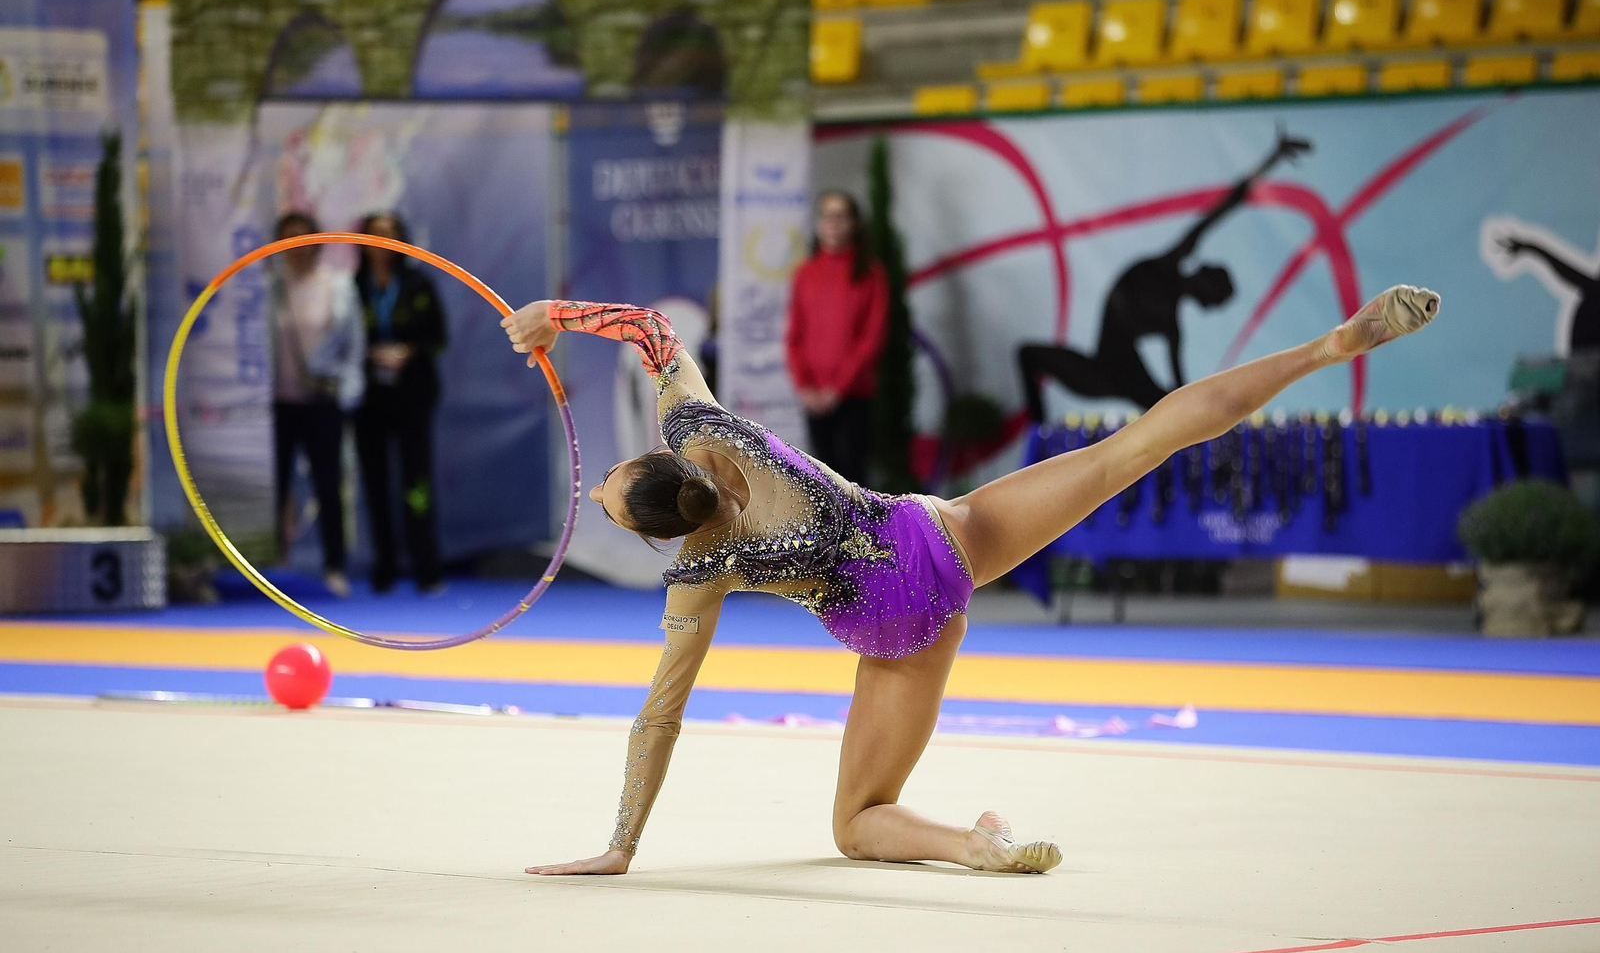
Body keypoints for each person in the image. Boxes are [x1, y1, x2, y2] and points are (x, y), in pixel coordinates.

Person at [501, 284, 1440, 877]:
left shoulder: (699, 576)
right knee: (1132, 447)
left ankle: (969, 845)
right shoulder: (702, 423)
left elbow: (659, 715)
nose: (606, 496)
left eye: (610, 505)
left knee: (857, 824)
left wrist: (622, 845)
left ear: (663, 533)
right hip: (942, 537)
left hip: (904, 628)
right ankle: (1326, 349)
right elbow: (655, 330)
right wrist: (561, 316)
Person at [1018, 130, 1313, 417]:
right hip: (1100, 371)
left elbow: (1179, 394)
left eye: (1209, 277)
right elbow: (1224, 208)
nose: (1203, 268)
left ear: (1205, 294)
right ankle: (1038, 442)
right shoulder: (1170, 267)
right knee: (1028, 356)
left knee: (1170, 411)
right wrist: (1271, 159)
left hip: (1116, 374)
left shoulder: (1171, 322)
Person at [269, 211, 365, 598]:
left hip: (323, 399)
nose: (295, 247)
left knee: (328, 484)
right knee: (274, 485)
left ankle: (334, 566)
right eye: (286, 238)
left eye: (301, 238)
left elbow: (353, 345)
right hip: (277, 403)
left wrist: (347, 393)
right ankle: (273, 566)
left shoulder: (337, 287)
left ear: (315, 242)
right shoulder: (268, 287)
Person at [352, 211, 447, 594]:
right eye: (375, 234)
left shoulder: (418, 283)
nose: (383, 241)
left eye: (390, 234)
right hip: (367, 398)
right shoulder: (353, 286)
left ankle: (426, 568)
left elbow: (439, 337)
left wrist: (408, 351)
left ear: (400, 239)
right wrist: (367, 354)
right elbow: (340, 339)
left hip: (412, 396)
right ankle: (384, 567)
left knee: (417, 484)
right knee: (375, 484)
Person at [786, 190, 889, 484]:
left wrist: (837, 389)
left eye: (840, 215)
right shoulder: (805, 273)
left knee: (853, 477)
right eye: (826, 215)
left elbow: (872, 337)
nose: (832, 222)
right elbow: (795, 336)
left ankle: (861, 532)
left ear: (854, 223)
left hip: (853, 393)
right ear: (818, 224)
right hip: (813, 395)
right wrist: (804, 386)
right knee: (821, 479)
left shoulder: (870, 273)